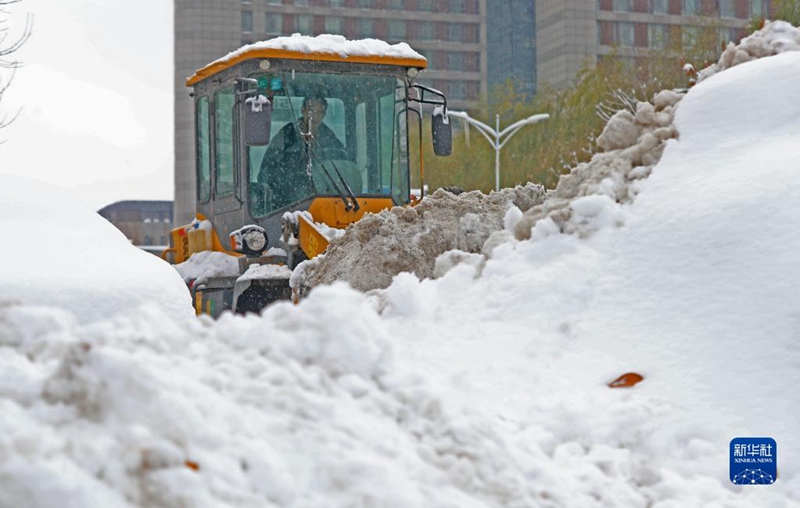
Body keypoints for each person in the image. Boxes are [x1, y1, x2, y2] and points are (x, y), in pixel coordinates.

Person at [257, 94, 344, 210]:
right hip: (286, 204)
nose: (315, 116)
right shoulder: (287, 135)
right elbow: (267, 169)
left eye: (320, 112)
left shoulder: (330, 138)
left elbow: (343, 166)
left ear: (324, 115)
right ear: (302, 110)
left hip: (323, 201)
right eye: (311, 110)